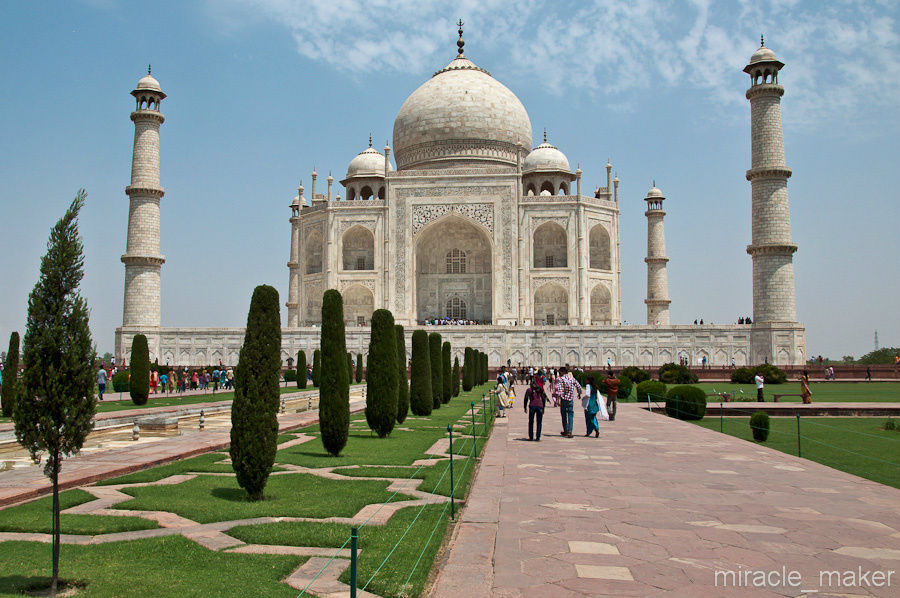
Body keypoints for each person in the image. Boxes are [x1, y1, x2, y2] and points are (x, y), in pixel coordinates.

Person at [551, 366, 582, 438]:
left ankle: (565, 430)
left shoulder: (561, 379)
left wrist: (558, 399)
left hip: (564, 399)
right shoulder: (571, 378)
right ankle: (570, 431)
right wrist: (579, 393)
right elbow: (578, 386)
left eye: (559, 372)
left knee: (564, 415)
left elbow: (559, 390)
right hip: (570, 399)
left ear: (562, 372)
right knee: (570, 415)